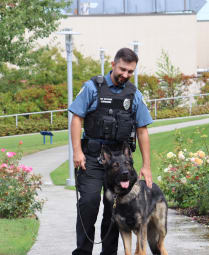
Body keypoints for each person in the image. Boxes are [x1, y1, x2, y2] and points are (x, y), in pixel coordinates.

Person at [68, 48, 153, 255]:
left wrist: (146, 166)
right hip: (93, 158)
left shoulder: (134, 94)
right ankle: (83, 251)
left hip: (121, 163)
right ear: (113, 64)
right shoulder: (92, 88)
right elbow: (76, 118)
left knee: (114, 210)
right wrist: (77, 152)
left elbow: (142, 130)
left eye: (130, 71)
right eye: (122, 69)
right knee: (89, 202)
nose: (125, 74)